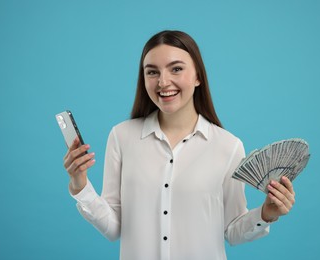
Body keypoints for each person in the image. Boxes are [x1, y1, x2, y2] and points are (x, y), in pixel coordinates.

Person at [63, 30, 296, 260]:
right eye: (152, 72)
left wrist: (266, 214)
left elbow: (232, 231)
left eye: (176, 69)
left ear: (198, 76)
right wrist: (80, 185)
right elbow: (113, 228)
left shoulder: (228, 146)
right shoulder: (122, 136)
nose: (163, 82)